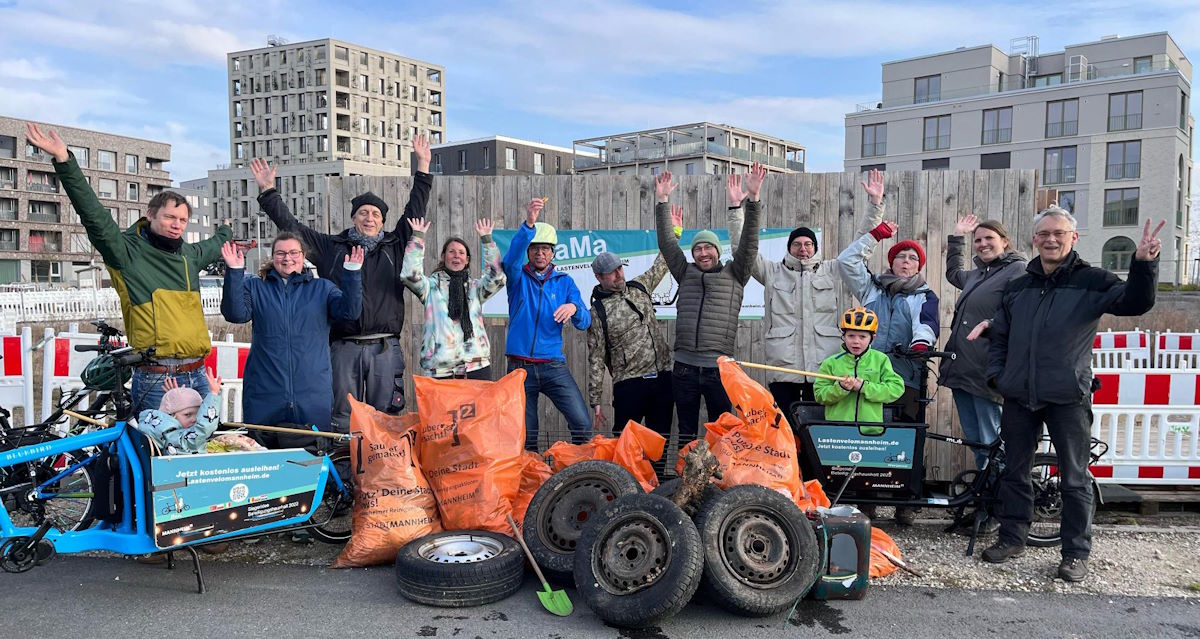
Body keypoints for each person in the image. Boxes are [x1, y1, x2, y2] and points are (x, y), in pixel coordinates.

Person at [974, 208, 1162, 582]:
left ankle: (1075, 553)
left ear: (1073, 238)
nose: (1051, 239)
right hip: (1019, 396)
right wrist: (998, 377)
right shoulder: (1019, 285)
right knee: (1015, 472)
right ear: (1034, 240)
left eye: (1059, 233)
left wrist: (1143, 264)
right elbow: (1001, 336)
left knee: (1074, 478)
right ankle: (1013, 537)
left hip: (1067, 397)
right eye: (1043, 233)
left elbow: (1135, 303)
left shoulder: (1091, 280)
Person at [26, 123, 232, 415]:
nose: (177, 225)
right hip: (157, 378)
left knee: (198, 451)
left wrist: (227, 232)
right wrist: (64, 160)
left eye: (183, 220)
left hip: (198, 373)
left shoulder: (189, 255)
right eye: (170, 217)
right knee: (155, 455)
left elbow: (215, 244)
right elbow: (94, 215)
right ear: (150, 215)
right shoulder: (125, 251)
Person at [250, 135, 431, 432]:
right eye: (363, 213)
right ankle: (342, 472)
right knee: (340, 417)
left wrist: (422, 165)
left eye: (375, 214)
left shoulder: (395, 245)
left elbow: (415, 210)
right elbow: (292, 228)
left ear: (382, 221)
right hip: (342, 347)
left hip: (385, 346)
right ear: (353, 218)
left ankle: (383, 476)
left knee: (386, 419)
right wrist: (269, 192)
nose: (369, 218)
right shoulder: (331, 248)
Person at [727, 168, 886, 417]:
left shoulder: (832, 271)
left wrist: (875, 204)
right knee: (787, 430)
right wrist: (739, 207)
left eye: (809, 244)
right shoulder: (771, 272)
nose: (804, 249)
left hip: (823, 368)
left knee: (817, 431)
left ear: (816, 248)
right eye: (797, 244)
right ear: (789, 247)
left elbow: (858, 247)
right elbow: (742, 248)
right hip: (783, 369)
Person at [838, 208, 939, 526]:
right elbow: (846, 262)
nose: (906, 261)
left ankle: (905, 501)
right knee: (867, 437)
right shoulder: (871, 287)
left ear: (918, 265)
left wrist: (920, 344)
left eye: (912, 258)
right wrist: (875, 235)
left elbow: (927, 324)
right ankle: (866, 500)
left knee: (907, 439)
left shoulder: (925, 295)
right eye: (901, 257)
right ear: (892, 261)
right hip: (866, 378)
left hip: (906, 378)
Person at [655, 164, 764, 441]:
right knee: (687, 432)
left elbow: (750, 242)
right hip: (684, 368)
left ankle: (718, 481)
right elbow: (668, 244)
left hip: (718, 369)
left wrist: (752, 200)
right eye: (698, 249)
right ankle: (683, 480)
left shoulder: (736, 273)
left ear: (718, 251)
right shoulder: (685, 272)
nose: (703, 253)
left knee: (722, 432)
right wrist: (662, 202)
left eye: (708, 248)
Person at [219, 233, 364, 433]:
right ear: (272, 257)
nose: (287, 258)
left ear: (303, 256)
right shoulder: (255, 287)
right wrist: (235, 271)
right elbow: (235, 314)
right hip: (265, 393)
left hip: (312, 395)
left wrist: (353, 274)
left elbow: (350, 312)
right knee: (264, 457)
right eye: (280, 253)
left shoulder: (322, 288)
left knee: (311, 456)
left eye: (293, 252)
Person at [503, 197, 591, 450]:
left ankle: (578, 474)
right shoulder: (517, 278)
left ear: (553, 253)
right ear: (529, 252)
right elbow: (509, 261)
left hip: (553, 366)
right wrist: (529, 224)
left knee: (582, 425)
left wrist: (574, 308)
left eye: (545, 249)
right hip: (520, 369)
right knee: (527, 437)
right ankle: (533, 482)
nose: (540, 253)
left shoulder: (565, 282)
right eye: (535, 248)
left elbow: (584, 322)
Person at [586, 207, 682, 436]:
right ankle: (626, 474)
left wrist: (675, 232)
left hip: (661, 377)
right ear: (599, 277)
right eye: (611, 272)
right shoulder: (598, 311)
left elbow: (663, 262)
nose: (619, 274)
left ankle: (658, 474)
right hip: (629, 385)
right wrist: (596, 399)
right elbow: (596, 357)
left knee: (661, 440)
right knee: (627, 442)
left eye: (619, 268)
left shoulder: (640, 286)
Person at [941, 215, 1026, 472]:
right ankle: (985, 498)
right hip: (962, 372)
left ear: (1005, 241)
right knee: (977, 443)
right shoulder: (979, 274)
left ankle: (1001, 502)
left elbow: (1020, 313)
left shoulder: (1018, 270)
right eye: (978, 240)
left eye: (989, 238)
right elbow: (954, 273)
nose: (982, 244)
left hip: (987, 373)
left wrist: (991, 322)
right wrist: (957, 237)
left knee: (992, 444)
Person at [401, 217, 505, 379]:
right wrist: (417, 238)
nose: (457, 256)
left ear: (467, 260)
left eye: (461, 252)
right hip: (441, 369)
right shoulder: (430, 287)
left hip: (476, 365)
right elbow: (409, 275)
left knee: (481, 406)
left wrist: (487, 241)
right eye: (452, 251)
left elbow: (496, 277)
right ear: (443, 257)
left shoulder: (475, 288)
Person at [813, 307, 905, 424]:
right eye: (851, 336)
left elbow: (896, 388)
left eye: (862, 337)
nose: (856, 341)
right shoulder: (831, 363)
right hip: (838, 431)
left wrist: (864, 387)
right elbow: (819, 395)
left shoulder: (881, 360)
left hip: (870, 431)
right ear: (843, 336)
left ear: (873, 338)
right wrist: (840, 388)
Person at [136, 370, 224, 455]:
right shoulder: (180, 439)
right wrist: (213, 395)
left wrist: (175, 395)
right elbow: (203, 429)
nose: (195, 419)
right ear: (171, 416)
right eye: (188, 415)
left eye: (198, 414)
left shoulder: (161, 430)